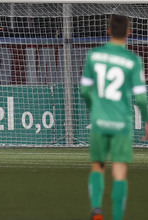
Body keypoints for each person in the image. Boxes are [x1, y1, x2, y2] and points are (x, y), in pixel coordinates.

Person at [80, 14, 148, 220]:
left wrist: (95, 109)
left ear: (108, 30)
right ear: (129, 32)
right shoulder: (133, 60)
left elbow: (84, 90)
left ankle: (97, 211)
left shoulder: (94, 55)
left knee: (98, 165)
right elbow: (142, 99)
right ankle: (117, 217)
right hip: (121, 124)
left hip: (99, 122)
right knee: (119, 171)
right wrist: (147, 120)